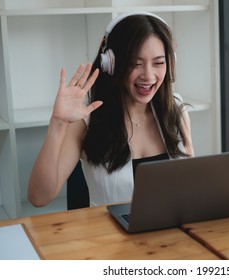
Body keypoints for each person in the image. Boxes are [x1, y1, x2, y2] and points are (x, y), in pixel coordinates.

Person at [28, 11, 194, 208]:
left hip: (170, 231)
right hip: (110, 236)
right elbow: (39, 197)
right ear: (111, 63)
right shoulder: (88, 119)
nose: (148, 76)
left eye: (158, 63)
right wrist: (58, 123)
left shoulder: (175, 110)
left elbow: (189, 184)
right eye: (135, 64)